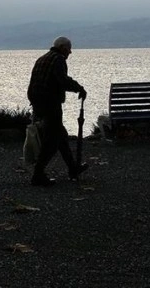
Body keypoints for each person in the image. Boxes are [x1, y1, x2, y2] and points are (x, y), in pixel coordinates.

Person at [27, 36, 88, 186]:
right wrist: (79, 88)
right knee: (52, 141)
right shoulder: (59, 60)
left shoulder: (42, 58)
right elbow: (63, 80)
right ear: (62, 48)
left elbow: (33, 83)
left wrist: (35, 105)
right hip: (50, 103)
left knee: (61, 136)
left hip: (38, 103)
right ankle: (38, 174)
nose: (70, 52)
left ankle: (73, 168)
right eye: (69, 49)